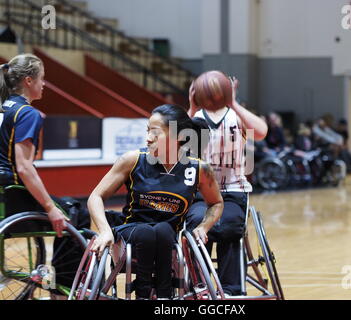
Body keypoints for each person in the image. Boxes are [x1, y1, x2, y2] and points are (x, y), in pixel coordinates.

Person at [89, 104, 224, 300]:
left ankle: (164, 296)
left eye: (155, 132)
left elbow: (216, 203)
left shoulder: (199, 168)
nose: (148, 138)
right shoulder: (133, 159)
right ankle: (143, 294)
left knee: (162, 229)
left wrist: (204, 226)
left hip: (166, 240)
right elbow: (96, 196)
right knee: (147, 232)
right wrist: (104, 230)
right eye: (147, 131)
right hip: (129, 236)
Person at [186, 76, 268, 296]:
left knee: (229, 226)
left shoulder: (236, 116)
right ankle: (199, 284)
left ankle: (231, 291)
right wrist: (192, 108)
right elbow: (172, 143)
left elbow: (261, 132)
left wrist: (234, 103)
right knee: (195, 223)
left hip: (233, 190)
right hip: (200, 192)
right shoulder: (194, 118)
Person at [0, 54, 68, 235]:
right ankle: (64, 265)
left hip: (3, 195)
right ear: (29, 80)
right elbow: (23, 168)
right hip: (13, 197)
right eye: (42, 78)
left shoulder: (3, 108)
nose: (44, 84)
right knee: (74, 212)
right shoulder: (27, 113)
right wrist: (50, 208)